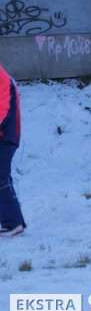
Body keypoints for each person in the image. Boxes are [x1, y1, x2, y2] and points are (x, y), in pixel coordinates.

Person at [0, 61, 26, 237]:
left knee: (1, 176)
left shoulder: (3, 80)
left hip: (5, 137)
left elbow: (4, 110)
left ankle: (14, 223)